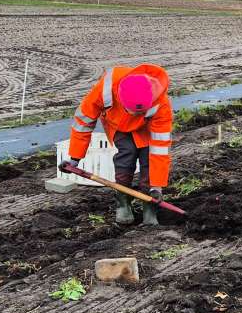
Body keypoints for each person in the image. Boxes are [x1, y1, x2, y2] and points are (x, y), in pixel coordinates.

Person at [60, 64, 174, 226]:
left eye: (139, 112)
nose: (135, 115)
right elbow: (83, 121)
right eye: (131, 111)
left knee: (148, 158)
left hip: (147, 129)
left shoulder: (161, 105)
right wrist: (75, 158)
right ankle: (123, 203)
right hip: (118, 124)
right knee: (126, 155)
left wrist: (157, 187)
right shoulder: (105, 89)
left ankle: (149, 207)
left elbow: (160, 149)